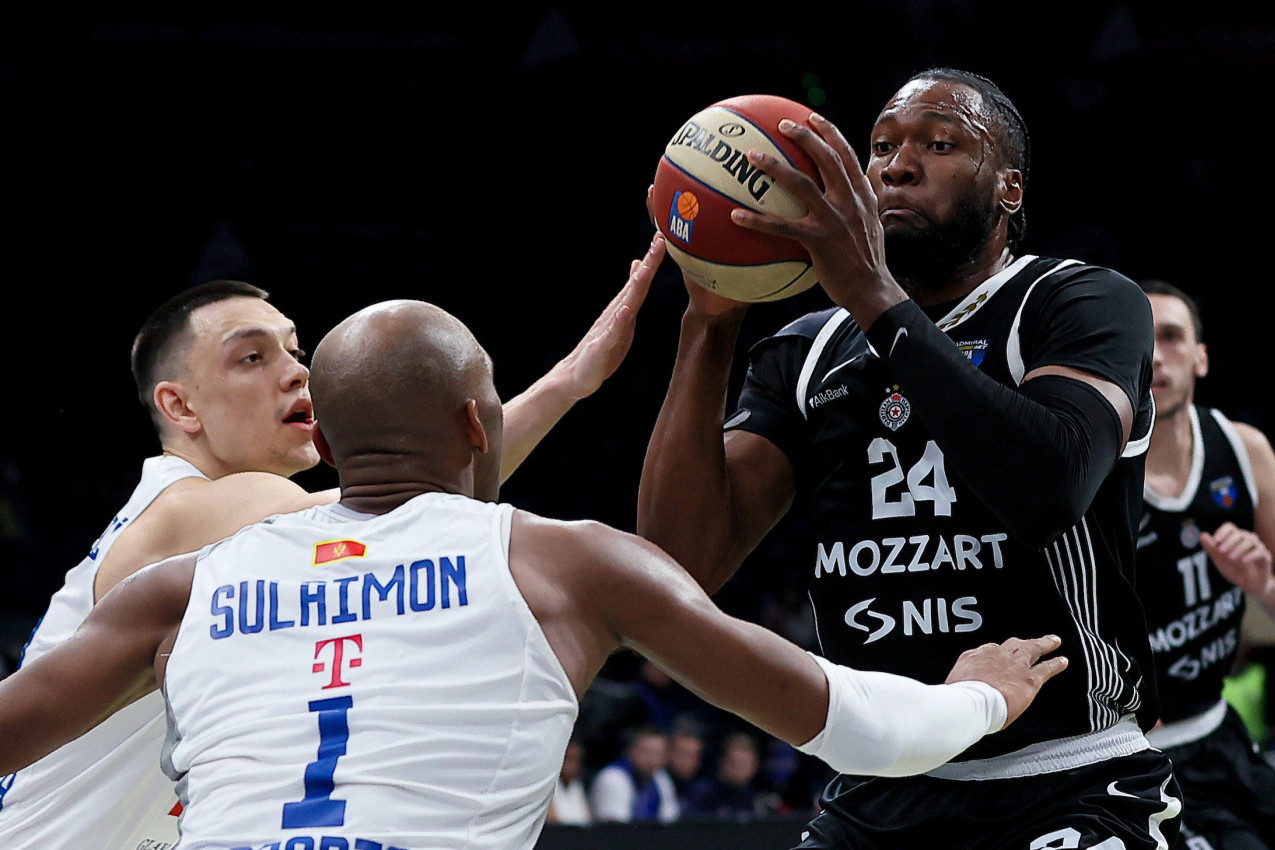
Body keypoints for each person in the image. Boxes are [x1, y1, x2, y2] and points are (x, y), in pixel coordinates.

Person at [0, 293, 1068, 850]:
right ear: (479, 424)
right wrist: (982, 693)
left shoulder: (185, 588)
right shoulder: (565, 561)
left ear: (330, 438)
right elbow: (862, 729)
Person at [638, 67, 1182, 849]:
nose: (896, 165)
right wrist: (710, 321)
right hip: (876, 792)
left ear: (1008, 189)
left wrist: (869, 292)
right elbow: (675, 566)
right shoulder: (807, 351)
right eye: (882, 146)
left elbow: (1049, 489)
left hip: (1065, 779)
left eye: (939, 144)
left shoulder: (1075, 302)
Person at [0, 247, 659, 850]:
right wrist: (568, 381)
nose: (297, 373)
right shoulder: (186, 508)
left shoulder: (221, 534)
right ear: (180, 406)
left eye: (296, 351)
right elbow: (409, 492)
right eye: (252, 358)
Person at [1137, 278, 1275, 849]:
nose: (1155, 355)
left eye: (1171, 337)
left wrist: (1262, 585)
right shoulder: (1093, 478)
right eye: (1140, 338)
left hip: (1220, 729)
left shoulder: (1245, 450)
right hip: (1137, 755)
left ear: (1201, 358)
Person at [588, 725, 680, 823]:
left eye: (658, 753)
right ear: (630, 750)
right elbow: (616, 827)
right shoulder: (612, 778)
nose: (653, 759)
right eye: (647, 752)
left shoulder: (660, 778)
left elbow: (670, 821)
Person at [682, 731, 776, 821]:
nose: (738, 770)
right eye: (735, 763)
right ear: (722, 762)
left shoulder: (756, 800)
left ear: (754, 767)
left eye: (744, 765)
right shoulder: (702, 795)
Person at [546, 736, 592, 826]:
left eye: (576, 760)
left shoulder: (576, 787)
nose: (572, 765)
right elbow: (552, 822)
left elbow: (587, 820)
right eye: (568, 759)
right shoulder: (548, 786)